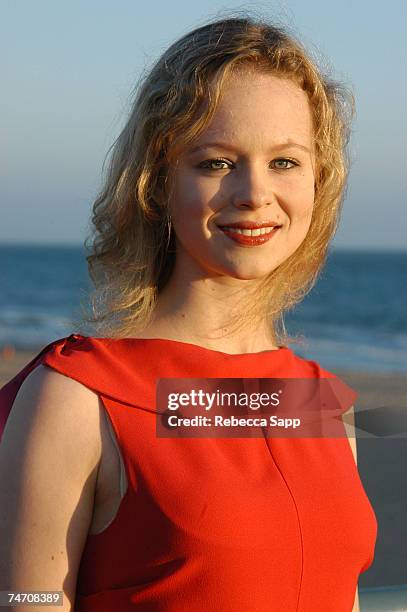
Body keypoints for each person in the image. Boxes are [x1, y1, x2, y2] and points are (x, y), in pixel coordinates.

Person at [0, 13, 377, 612]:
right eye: (216, 162)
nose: (255, 193)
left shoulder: (322, 406)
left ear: (318, 182)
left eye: (285, 162)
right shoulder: (76, 398)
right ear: (156, 182)